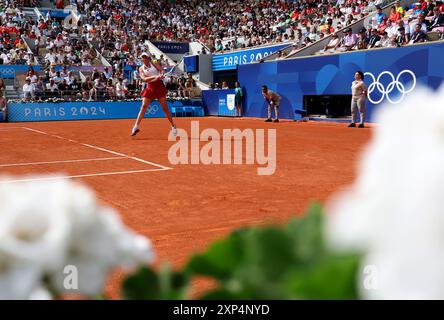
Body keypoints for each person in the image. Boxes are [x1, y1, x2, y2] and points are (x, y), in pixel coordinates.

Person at [131, 52, 177, 136]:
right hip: (150, 87)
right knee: (144, 106)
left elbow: (161, 70)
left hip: (159, 86)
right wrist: (155, 77)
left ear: (148, 58)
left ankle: (173, 126)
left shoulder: (154, 63)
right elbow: (144, 79)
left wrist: (162, 74)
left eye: (145, 58)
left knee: (165, 108)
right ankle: (135, 126)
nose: (144, 59)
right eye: (142, 58)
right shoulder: (141, 68)